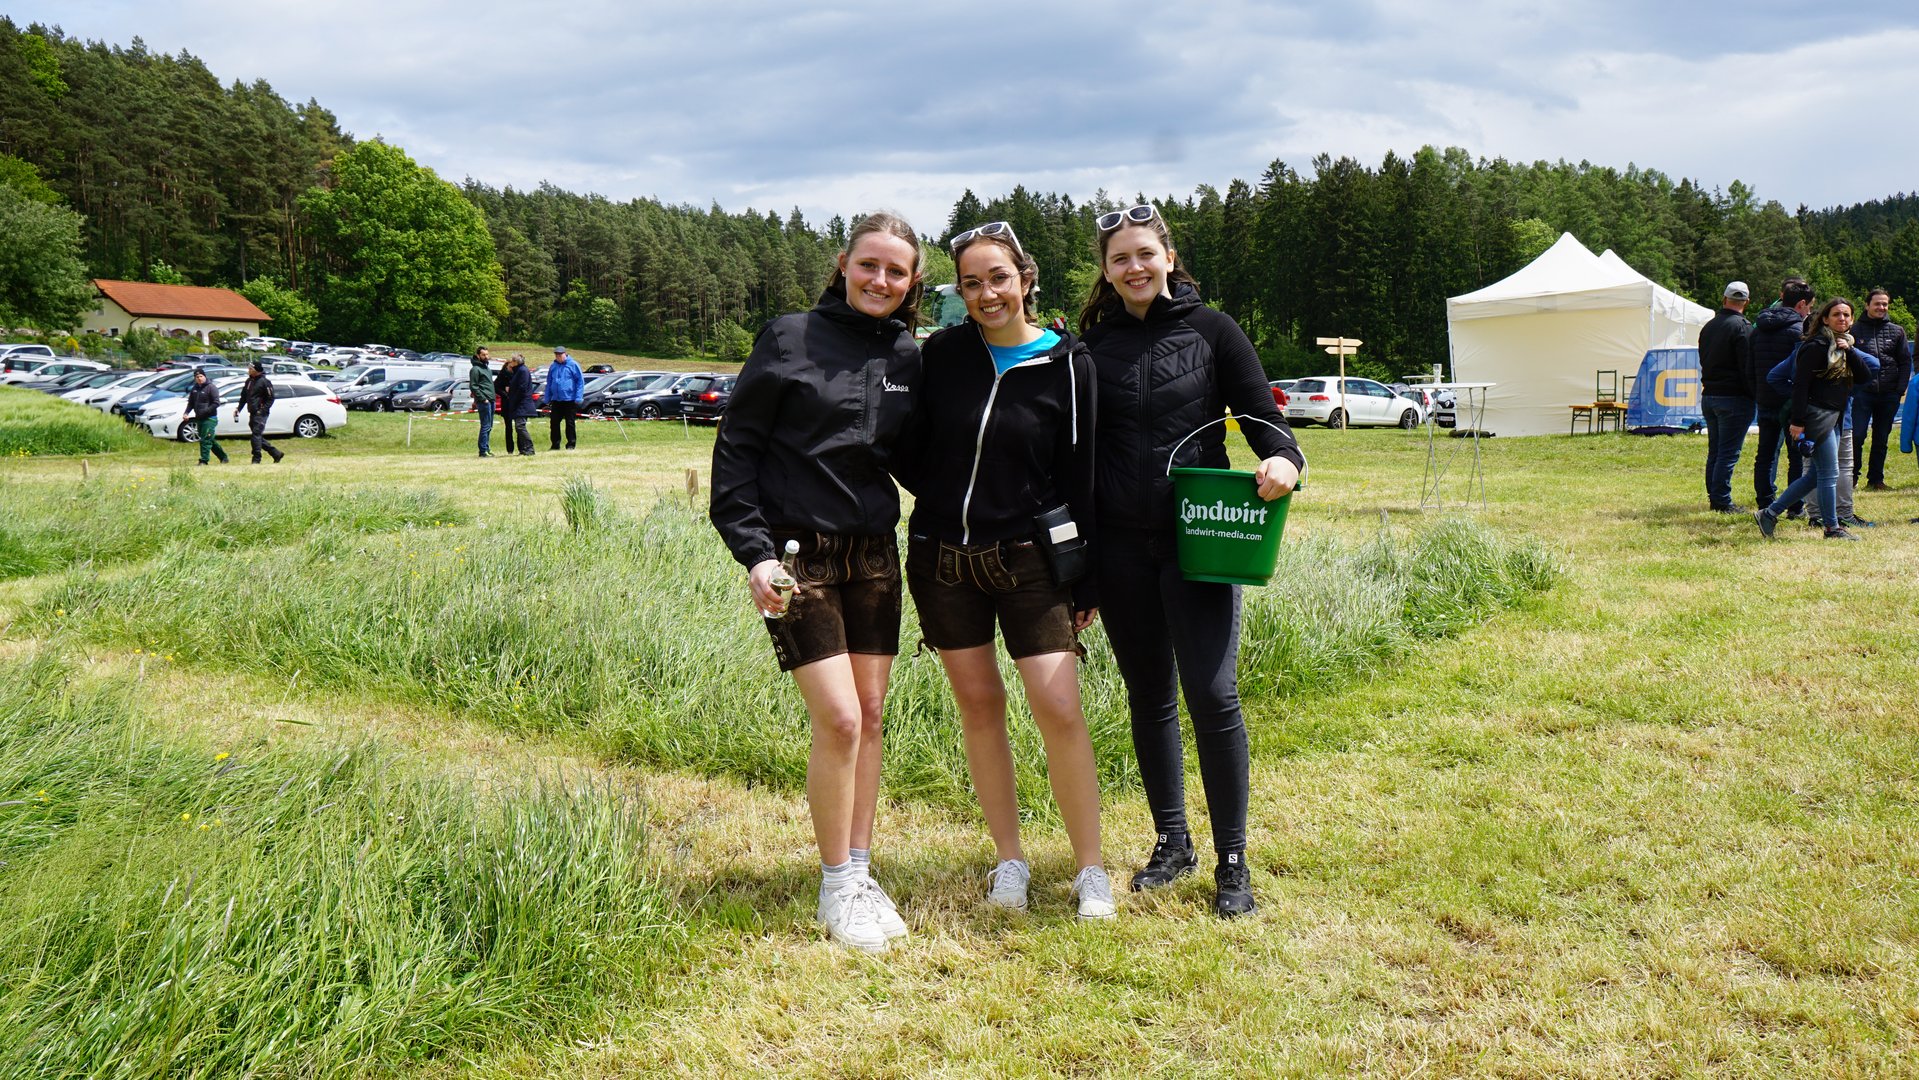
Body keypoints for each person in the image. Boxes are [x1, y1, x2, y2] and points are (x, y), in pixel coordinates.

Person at [1077, 203, 1303, 918]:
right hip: (1120, 550)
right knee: (1149, 697)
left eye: (1145, 253)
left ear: (1168, 258)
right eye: (1119, 258)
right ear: (1106, 271)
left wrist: (1284, 460)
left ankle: (1233, 859)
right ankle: (1172, 842)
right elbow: (1075, 453)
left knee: (1212, 695)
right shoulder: (1092, 346)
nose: (1134, 267)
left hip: (1198, 541)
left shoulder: (1214, 331)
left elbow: (1265, 420)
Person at [709, 212, 924, 953]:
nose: (880, 280)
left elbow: (915, 458)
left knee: (871, 715)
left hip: (874, 558)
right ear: (842, 263)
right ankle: (835, 885)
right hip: (798, 559)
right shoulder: (788, 337)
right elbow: (737, 452)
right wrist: (755, 555)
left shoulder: (907, 354)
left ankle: (860, 871)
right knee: (838, 720)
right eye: (870, 265)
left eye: (896, 271)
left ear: (911, 283)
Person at [892, 221, 1113, 920]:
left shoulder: (1069, 363)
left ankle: (1090, 870)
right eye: (971, 283)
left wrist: (1087, 579)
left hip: (1031, 561)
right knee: (981, 708)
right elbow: (906, 443)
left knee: (1059, 708)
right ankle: (1009, 860)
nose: (987, 294)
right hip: (941, 559)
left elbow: (1081, 473)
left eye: (999, 278)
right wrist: (938, 495)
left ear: (1025, 278)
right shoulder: (943, 355)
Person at [1756, 298, 1878, 541]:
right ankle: (1832, 528)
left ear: (1852, 320)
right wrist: (1798, 421)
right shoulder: (1815, 346)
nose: (1842, 318)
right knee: (1830, 473)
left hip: (1834, 416)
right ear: (1825, 319)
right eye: (1836, 314)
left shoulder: (1843, 346)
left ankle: (1769, 514)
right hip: (1816, 417)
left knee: (1815, 475)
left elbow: (1865, 377)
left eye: (1846, 315)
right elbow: (1800, 386)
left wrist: (1850, 350)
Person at [1750, 278, 1814, 514]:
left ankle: (1765, 504)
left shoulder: (1757, 330)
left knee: (1765, 455)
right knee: (1796, 456)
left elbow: (1749, 367)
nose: (1810, 312)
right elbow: (1802, 372)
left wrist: (1758, 392)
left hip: (1765, 399)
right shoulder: (1798, 332)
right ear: (1801, 304)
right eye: (1810, 307)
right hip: (1790, 402)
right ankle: (1794, 506)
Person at [1697, 281, 1754, 512]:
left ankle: (1714, 495)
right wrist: (1754, 393)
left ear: (1724, 299)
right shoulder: (1743, 327)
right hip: (1734, 397)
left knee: (1716, 451)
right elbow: (1746, 366)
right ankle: (1721, 500)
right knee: (1728, 453)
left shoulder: (1709, 326)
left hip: (1710, 394)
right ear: (1746, 302)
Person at [1850, 288, 1911, 492]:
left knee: (1881, 438)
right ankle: (1851, 477)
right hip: (1861, 393)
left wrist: (1899, 389)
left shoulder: (1897, 331)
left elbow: (1905, 362)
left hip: (1889, 393)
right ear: (1867, 305)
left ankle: (1876, 479)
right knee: (1857, 436)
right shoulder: (1853, 330)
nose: (1881, 307)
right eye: (1877, 303)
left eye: (1885, 304)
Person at [234, 360, 284, 464]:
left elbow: (271, 398)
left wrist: (262, 410)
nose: (248, 370)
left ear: (256, 370)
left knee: (256, 435)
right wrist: (238, 409)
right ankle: (275, 453)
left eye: (250, 369)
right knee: (257, 437)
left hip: (261, 414)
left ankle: (256, 458)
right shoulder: (249, 381)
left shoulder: (265, 382)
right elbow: (244, 397)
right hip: (252, 412)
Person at [186, 367, 229, 465]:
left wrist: (206, 411)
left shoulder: (211, 387)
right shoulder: (194, 388)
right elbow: (191, 403)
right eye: (197, 377)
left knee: (205, 439)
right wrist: (186, 413)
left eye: (201, 376)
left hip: (210, 418)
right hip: (199, 418)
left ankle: (204, 460)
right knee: (208, 439)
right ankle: (223, 457)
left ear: (204, 376)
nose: (199, 378)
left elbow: (216, 403)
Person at [546, 346, 584, 450]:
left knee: (570, 423)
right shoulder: (553, 366)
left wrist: (578, 397)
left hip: (570, 399)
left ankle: (571, 444)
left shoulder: (573, 365)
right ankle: (555, 445)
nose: (558, 356)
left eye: (560, 354)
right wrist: (547, 397)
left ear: (565, 354)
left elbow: (580, 382)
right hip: (556, 400)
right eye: (556, 354)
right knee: (554, 422)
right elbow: (549, 382)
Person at [501, 353, 536, 456]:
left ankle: (529, 448)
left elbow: (522, 388)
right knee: (519, 426)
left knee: (520, 426)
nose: (511, 362)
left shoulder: (522, 371)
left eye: (512, 361)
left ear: (516, 362)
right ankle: (524, 449)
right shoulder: (518, 371)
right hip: (519, 403)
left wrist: (513, 396)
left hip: (522, 403)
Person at [470, 346, 496, 458]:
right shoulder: (475, 369)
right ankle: (483, 451)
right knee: (485, 426)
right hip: (484, 401)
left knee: (489, 426)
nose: (486, 356)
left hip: (491, 400)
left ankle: (487, 448)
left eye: (487, 354)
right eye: (483, 355)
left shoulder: (487, 369)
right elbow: (473, 386)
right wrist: (483, 399)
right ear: (478, 356)